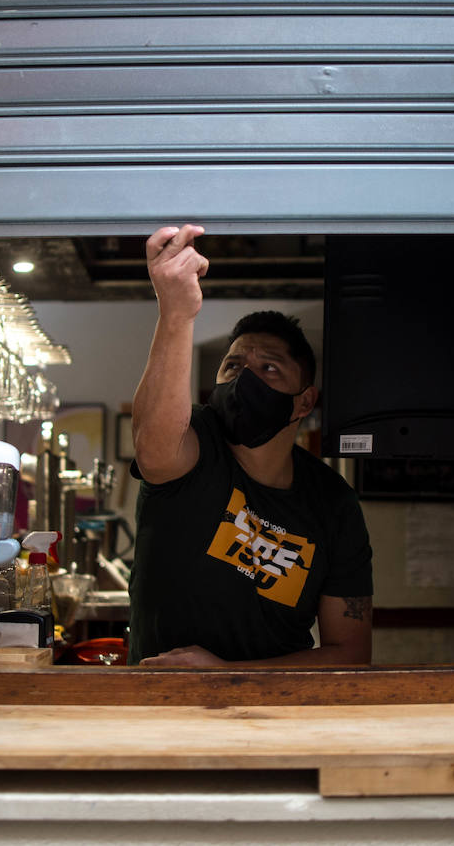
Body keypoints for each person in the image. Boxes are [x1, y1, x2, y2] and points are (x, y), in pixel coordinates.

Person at [128, 224, 373, 666]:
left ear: (305, 402)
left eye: (270, 368)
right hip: (159, 709)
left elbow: (350, 653)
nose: (246, 377)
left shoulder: (332, 502)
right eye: (234, 364)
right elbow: (153, 453)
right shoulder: (196, 439)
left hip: (274, 717)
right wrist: (176, 314)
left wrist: (228, 676)